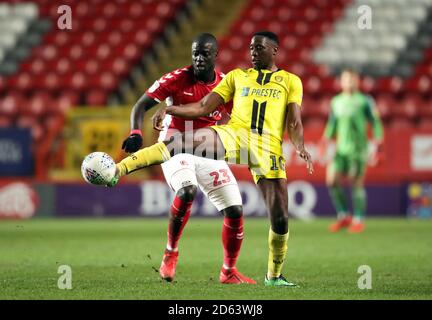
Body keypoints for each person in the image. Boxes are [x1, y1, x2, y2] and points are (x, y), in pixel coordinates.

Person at [110, 31, 313, 286]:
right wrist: (167, 110)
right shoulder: (236, 77)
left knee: (275, 216)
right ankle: (118, 170)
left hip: (267, 149)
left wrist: (300, 145)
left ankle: (266, 275)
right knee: (181, 159)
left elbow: (293, 121)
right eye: (250, 47)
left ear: (274, 50)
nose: (252, 51)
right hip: (231, 137)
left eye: (258, 47)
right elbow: (204, 106)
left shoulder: (290, 81)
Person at [120, 33, 255, 284]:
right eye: (195, 53)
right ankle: (171, 252)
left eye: (204, 53)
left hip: (207, 147)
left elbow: (239, 118)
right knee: (187, 191)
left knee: (235, 210)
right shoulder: (176, 78)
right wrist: (136, 132)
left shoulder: (226, 85)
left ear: (216, 55)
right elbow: (140, 105)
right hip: (175, 145)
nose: (198, 58)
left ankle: (228, 271)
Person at [321, 69, 384, 233]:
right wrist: (325, 140)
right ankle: (343, 216)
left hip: (358, 150)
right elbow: (332, 124)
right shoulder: (336, 101)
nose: (349, 82)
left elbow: (375, 123)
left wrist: (378, 144)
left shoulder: (365, 101)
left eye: (352, 79)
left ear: (358, 82)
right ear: (341, 82)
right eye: (346, 79)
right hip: (341, 150)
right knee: (332, 180)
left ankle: (358, 219)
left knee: (356, 183)